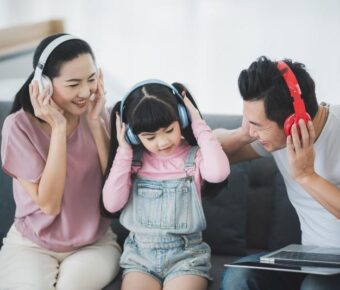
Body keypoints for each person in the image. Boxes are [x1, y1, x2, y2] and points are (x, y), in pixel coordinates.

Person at [0, 33, 121, 290]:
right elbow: (50, 204)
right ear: (43, 83)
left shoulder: (98, 115)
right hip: (30, 245)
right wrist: (58, 128)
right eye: (73, 83)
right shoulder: (18, 127)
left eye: (91, 80)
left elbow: (115, 193)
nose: (86, 92)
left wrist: (96, 123)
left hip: (94, 244)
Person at [216, 56, 340, 290]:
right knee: (239, 278)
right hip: (311, 258)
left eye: (258, 126)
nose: (254, 131)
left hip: (335, 268)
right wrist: (243, 134)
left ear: (292, 122)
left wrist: (307, 176)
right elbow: (209, 155)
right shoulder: (276, 140)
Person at [102, 79, 230, 290]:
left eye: (169, 130)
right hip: (140, 258)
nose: (162, 142)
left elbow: (218, 173)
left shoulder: (194, 157)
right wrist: (124, 151)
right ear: (134, 136)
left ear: (181, 118)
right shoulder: (132, 161)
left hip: (186, 257)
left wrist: (197, 122)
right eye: (149, 137)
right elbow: (112, 204)